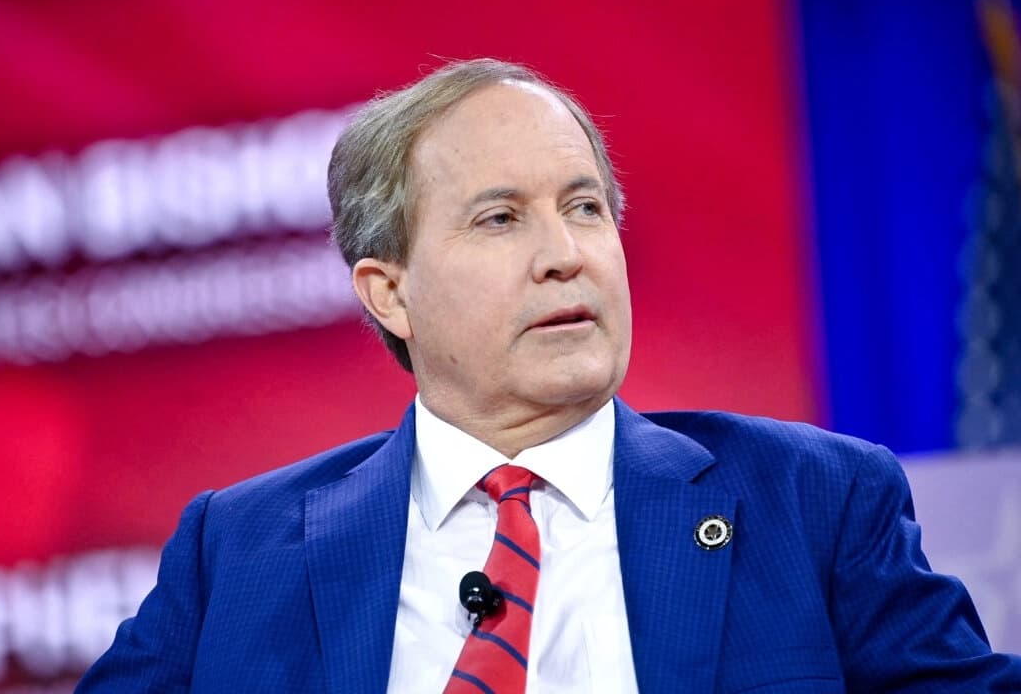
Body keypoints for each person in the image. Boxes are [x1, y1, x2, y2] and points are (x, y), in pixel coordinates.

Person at [76, 59, 1021, 693]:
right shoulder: (234, 552)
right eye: (501, 219)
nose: (566, 254)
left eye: (585, 207)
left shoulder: (812, 501)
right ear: (389, 292)